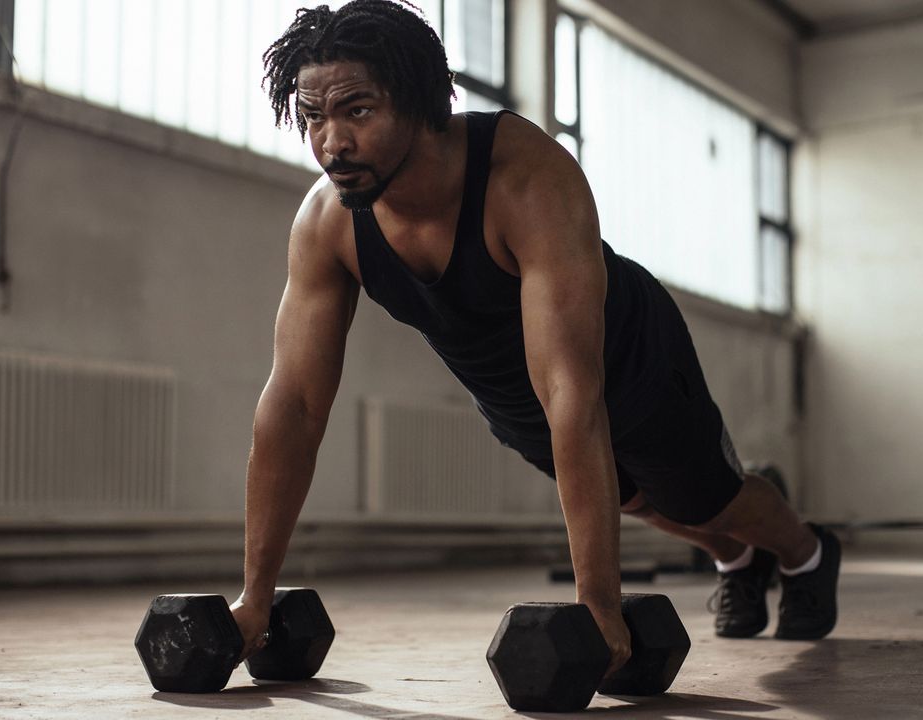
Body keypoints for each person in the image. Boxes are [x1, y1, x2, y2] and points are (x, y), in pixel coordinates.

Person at [229, 0, 841, 676]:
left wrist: (599, 604)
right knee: (638, 501)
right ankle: (736, 558)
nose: (331, 143)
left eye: (358, 111)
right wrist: (254, 597)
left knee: (704, 497)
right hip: (508, 385)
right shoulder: (327, 223)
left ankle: (804, 553)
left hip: (624, 350)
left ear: (417, 101)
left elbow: (572, 389)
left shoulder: (524, 178)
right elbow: (294, 405)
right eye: (313, 117)